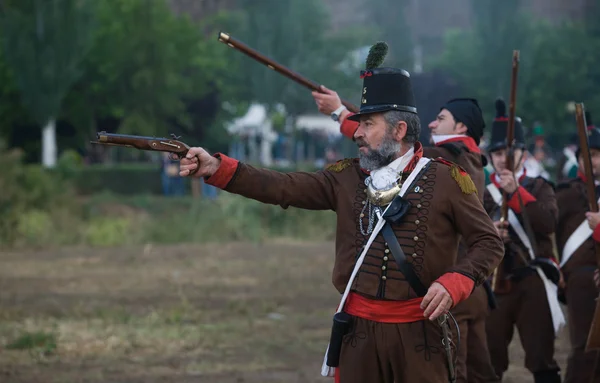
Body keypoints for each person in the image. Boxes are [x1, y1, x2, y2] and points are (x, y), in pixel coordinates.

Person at [179, 43, 504, 383]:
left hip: (421, 335)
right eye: (359, 124)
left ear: (399, 130)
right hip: (358, 336)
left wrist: (457, 281)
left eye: (368, 124)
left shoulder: (447, 178)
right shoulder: (345, 176)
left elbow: (488, 242)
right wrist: (216, 167)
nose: (358, 133)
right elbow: (282, 186)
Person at [313, 87, 499, 382]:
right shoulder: (469, 156)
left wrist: (340, 113)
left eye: (442, 118)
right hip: (461, 294)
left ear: (462, 127)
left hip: (442, 294)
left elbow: (392, 147)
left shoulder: (444, 160)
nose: (433, 124)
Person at [483, 99, 563, 383]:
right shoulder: (481, 193)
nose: (504, 158)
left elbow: (548, 223)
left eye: (510, 151)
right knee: (489, 363)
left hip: (531, 280)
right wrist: (491, 231)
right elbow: (465, 235)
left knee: (542, 360)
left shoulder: (540, 187)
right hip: (494, 283)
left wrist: (517, 194)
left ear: (522, 153)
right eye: (498, 152)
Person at [555, 127, 600, 382]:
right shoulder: (565, 193)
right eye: (585, 155)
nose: (589, 161)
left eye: (595, 154)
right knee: (584, 349)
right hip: (580, 279)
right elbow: (545, 233)